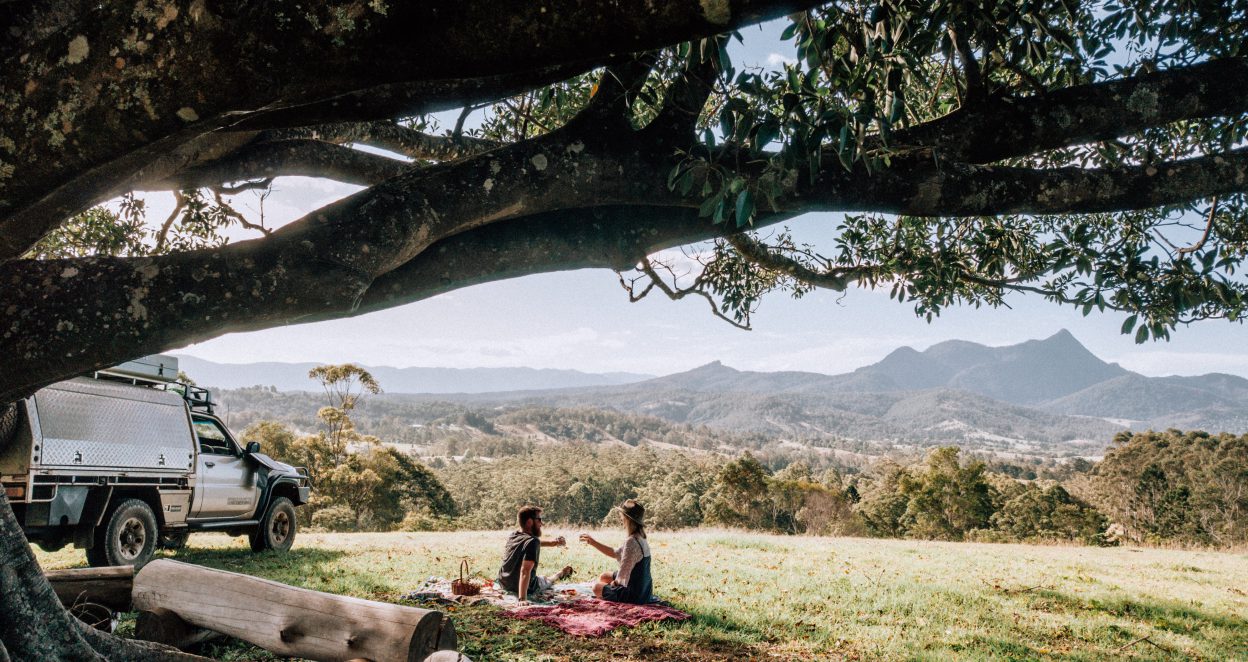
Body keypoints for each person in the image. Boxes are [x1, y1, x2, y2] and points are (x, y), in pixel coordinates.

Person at [579, 499, 652, 604]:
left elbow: (622, 576)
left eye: (622, 515)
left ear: (627, 518)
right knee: (604, 576)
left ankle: (610, 598)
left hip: (634, 595)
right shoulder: (640, 537)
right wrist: (593, 542)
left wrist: (613, 584)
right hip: (645, 590)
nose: (620, 518)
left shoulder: (631, 542)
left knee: (596, 587)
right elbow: (616, 553)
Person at [496, 505, 572, 603]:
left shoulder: (514, 535)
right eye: (539, 520)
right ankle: (560, 574)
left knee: (540, 578)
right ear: (529, 522)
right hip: (522, 587)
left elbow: (530, 543)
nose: (542, 523)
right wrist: (522, 599)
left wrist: (553, 543)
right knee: (546, 580)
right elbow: (525, 571)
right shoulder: (533, 542)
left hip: (504, 583)